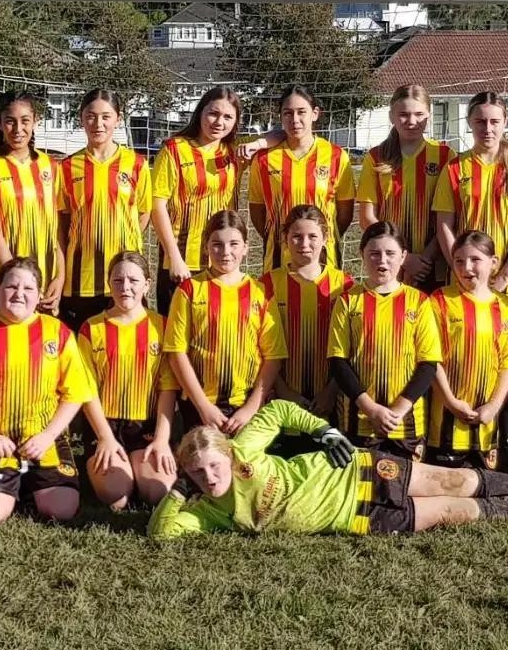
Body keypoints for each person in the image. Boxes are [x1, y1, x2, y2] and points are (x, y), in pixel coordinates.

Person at [148, 399, 508, 539]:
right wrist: (181, 489)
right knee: (449, 511)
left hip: (355, 470)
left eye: (213, 464)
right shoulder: (206, 510)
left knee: (448, 479)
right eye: (199, 472)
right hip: (358, 518)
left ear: (227, 454)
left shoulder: (243, 448)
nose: (210, 475)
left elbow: (280, 410)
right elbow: (160, 533)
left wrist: (325, 433)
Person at [0, 257, 95, 526]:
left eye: (28, 289)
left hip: (44, 439)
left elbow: (75, 393)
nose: (19, 294)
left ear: (40, 295)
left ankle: (25, 484)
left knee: (62, 510)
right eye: (11, 287)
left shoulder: (57, 332)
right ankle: (1, 487)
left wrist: (47, 436)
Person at [326, 222, 443, 456]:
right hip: (358, 420)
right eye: (374, 253)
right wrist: (370, 409)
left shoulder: (419, 302)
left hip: (406, 422)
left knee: (406, 490)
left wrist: (399, 409)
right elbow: (338, 361)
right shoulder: (348, 301)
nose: (382, 260)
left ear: (403, 256)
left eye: (390, 253)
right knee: (363, 490)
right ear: (361, 255)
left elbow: (428, 363)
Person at [163, 210, 286, 433]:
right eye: (217, 244)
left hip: (246, 407)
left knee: (244, 468)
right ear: (205, 246)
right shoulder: (189, 290)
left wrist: (250, 409)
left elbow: (273, 357)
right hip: (200, 406)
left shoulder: (261, 292)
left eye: (234, 244)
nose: (225, 252)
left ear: (246, 248)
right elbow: (176, 352)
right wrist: (202, 406)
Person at [78, 251, 179, 511]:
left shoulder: (162, 326)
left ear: (147, 284)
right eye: (118, 281)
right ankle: (107, 468)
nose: (126, 288)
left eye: (133, 281)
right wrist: (104, 437)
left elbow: (167, 388)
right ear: (108, 283)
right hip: (105, 426)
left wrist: (161, 440)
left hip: (145, 426)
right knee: (117, 497)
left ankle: (136, 467)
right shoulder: (91, 329)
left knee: (159, 493)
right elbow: (86, 391)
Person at [432, 91, 508, 301]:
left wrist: (505, 274)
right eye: (480, 121)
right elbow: (444, 227)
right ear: (469, 123)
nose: (488, 128)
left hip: (505, 281)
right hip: (465, 277)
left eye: (494, 121)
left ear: (505, 122)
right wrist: (460, 270)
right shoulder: (454, 168)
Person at [57, 88, 152, 329]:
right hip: (81, 278)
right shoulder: (67, 167)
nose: (98, 123)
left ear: (118, 119)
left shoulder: (137, 164)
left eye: (106, 116)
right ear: (81, 119)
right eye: (91, 116)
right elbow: (63, 223)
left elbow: (143, 213)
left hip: (126, 278)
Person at [425, 232, 508, 470]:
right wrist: (450, 401)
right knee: (446, 488)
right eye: (459, 260)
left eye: (475, 260)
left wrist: (494, 406)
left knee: (484, 490)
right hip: (445, 418)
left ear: (493, 262)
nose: (467, 267)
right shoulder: (439, 301)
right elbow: (430, 359)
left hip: (487, 417)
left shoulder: (506, 307)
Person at [151, 86, 248, 304]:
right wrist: (174, 257)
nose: (219, 122)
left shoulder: (234, 151)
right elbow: (156, 206)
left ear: (235, 122)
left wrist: (260, 143)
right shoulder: (175, 149)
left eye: (227, 117)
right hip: (182, 260)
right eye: (213, 113)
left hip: (221, 259)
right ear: (200, 113)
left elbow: (279, 135)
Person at [0, 90, 64, 314]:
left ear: (36, 121)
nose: (18, 129)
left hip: (45, 278)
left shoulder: (50, 165)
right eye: (10, 121)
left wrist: (60, 277)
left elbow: (60, 228)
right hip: (7, 278)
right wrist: (17, 279)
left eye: (25, 121)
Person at [259, 204, 353, 417]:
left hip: (331, 399)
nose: (304, 244)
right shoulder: (267, 285)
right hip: (282, 399)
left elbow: (351, 346)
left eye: (312, 236)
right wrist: (283, 391)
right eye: (296, 236)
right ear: (285, 238)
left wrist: (330, 391)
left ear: (325, 237)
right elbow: (260, 345)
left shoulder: (344, 285)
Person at [355, 85, 451, 290]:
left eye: (419, 114)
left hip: (433, 263)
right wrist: (404, 259)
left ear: (429, 116)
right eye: (404, 115)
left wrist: (423, 260)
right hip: (389, 264)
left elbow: (450, 217)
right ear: (391, 116)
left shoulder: (445, 156)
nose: (412, 121)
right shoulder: (376, 157)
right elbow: (367, 218)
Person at [250, 85, 354, 273]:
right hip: (279, 257)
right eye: (288, 113)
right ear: (280, 116)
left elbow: (345, 213)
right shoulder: (264, 159)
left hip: (324, 256)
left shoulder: (337, 157)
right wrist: (281, 236)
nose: (295, 120)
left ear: (314, 114)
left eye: (301, 112)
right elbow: (257, 211)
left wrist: (320, 236)